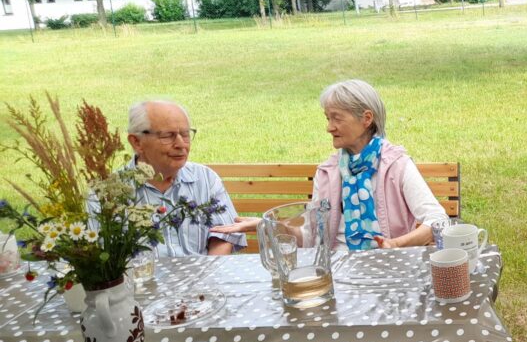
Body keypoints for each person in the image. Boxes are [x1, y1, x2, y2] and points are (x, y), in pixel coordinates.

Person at [214, 80, 447, 250]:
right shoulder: (328, 172)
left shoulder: (395, 165)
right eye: (327, 118)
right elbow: (311, 238)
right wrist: (269, 226)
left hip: (390, 269)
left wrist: (395, 245)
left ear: (366, 119)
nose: (329, 127)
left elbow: (438, 220)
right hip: (338, 272)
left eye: (337, 118)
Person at [125, 100, 245, 256]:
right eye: (168, 136)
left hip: (203, 271)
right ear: (137, 142)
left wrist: (210, 270)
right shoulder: (110, 192)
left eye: (185, 134)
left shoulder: (205, 178)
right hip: (142, 272)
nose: (181, 144)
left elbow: (224, 236)